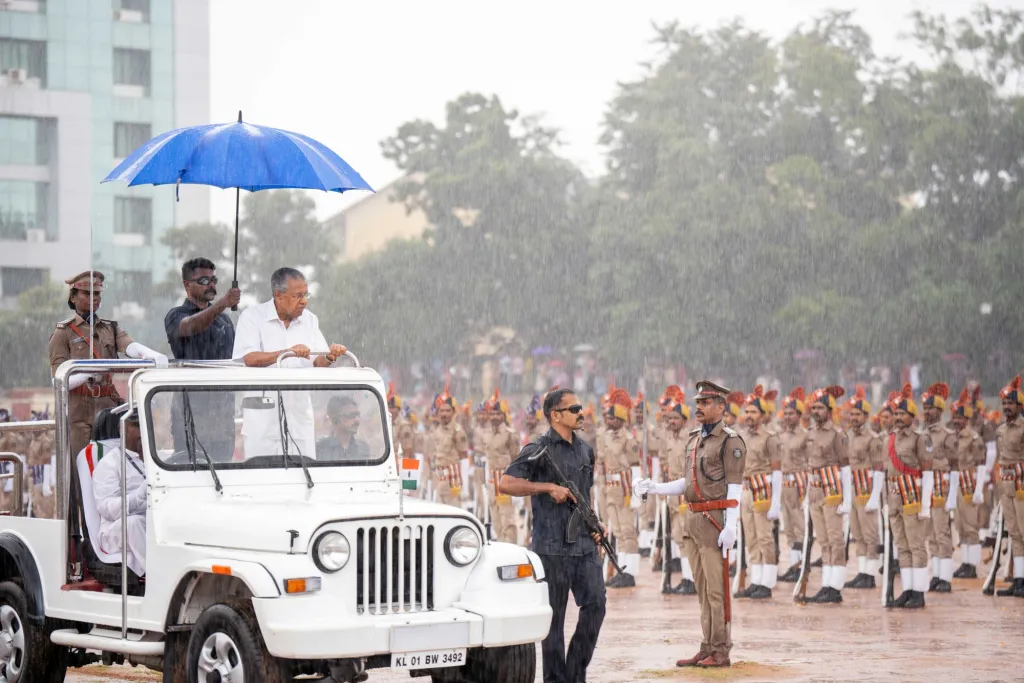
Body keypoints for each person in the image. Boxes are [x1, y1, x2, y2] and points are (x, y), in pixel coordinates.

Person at [634, 381, 745, 669]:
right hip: (693, 517)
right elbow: (688, 482)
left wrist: (730, 526)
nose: (699, 407)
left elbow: (735, 486)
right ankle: (706, 645)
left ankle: (720, 649)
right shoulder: (695, 439)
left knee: (716, 590)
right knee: (701, 589)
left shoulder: (730, 441)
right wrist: (656, 487)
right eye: (698, 402)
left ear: (721, 407)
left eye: (706, 402)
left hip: (715, 519)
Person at [499, 388, 607, 683]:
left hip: (583, 546)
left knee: (596, 605)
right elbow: (506, 483)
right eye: (574, 409)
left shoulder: (586, 450)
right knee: (554, 620)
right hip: (551, 547)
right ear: (555, 415)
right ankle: (556, 679)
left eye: (581, 407)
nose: (581, 413)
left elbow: (585, 495)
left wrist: (596, 525)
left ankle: (575, 672)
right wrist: (546, 488)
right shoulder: (538, 448)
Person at [48, 271, 168, 458]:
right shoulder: (63, 333)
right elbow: (58, 380)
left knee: (111, 465)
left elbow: (130, 346)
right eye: (87, 294)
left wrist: (151, 355)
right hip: (78, 411)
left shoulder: (109, 328)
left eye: (97, 294)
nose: (93, 298)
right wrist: (90, 371)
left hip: (106, 408)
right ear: (73, 296)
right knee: (80, 469)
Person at [232, 267, 347, 457]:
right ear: (278, 295)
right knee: (263, 483)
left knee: (303, 482)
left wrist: (330, 356)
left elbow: (317, 361)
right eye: (298, 296)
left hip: (299, 421)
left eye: (306, 295)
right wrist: (286, 353)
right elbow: (248, 358)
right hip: (262, 426)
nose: (304, 301)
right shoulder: (252, 318)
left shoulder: (310, 320)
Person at [164, 258, 240, 461]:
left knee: (223, 476)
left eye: (214, 280)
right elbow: (190, 326)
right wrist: (223, 303)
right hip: (191, 414)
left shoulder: (224, 319)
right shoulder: (176, 315)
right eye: (204, 280)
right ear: (187, 285)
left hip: (222, 415)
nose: (212, 285)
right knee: (192, 474)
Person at [886, 384, 934, 608]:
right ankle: (907, 589)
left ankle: (919, 592)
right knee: (902, 546)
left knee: (916, 546)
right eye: (895, 413)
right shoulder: (890, 438)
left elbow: (928, 472)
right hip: (894, 497)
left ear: (911, 417)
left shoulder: (919, 438)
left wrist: (925, 506)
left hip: (912, 496)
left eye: (902, 413)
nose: (897, 417)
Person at [803, 386, 851, 604]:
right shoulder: (810, 433)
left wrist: (847, 500)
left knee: (835, 539)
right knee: (823, 541)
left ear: (830, 410)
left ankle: (836, 587)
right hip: (814, 490)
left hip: (832, 490)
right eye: (813, 407)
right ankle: (826, 585)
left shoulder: (838, 435)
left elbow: (846, 468)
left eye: (820, 408)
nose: (816, 411)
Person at [734, 386, 781, 600]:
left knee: (764, 538)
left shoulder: (770, 438)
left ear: (762, 415)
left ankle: (767, 583)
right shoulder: (740, 436)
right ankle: (756, 580)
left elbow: (777, 470)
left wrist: (776, 503)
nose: (749, 416)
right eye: (747, 411)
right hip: (745, 490)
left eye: (753, 412)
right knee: (750, 538)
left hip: (763, 490)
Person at [91, 408, 147, 576]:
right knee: (134, 523)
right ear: (122, 429)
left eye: (144, 424)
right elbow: (107, 509)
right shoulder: (109, 463)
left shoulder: (157, 458)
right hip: (114, 530)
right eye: (136, 425)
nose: (141, 430)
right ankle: (161, 579)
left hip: (151, 520)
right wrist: (137, 498)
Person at [598, 388, 641, 587]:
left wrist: (636, 495)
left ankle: (630, 571)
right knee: (617, 531)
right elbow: (601, 464)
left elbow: (636, 467)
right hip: (610, 488)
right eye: (608, 416)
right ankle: (621, 569)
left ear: (621, 419)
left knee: (627, 530)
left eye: (613, 417)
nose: (609, 420)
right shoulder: (604, 436)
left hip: (624, 489)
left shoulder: (628, 439)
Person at [842, 387, 885, 589]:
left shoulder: (873, 438)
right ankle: (862, 571)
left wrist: (875, 496)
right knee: (857, 533)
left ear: (866, 416)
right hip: (851, 488)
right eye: (851, 413)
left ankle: (870, 573)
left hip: (866, 487)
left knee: (870, 533)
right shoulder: (847, 436)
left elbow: (878, 468)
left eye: (858, 414)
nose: (854, 417)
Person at [919, 383, 959, 592]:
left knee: (942, 532)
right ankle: (936, 574)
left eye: (931, 408)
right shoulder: (921, 434)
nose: (927, 412)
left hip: (941, 486)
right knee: (930, 533)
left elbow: (955, 466)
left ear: (940, 411)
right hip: (926, 487)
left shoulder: (947, 435)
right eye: (925, 408)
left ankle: (946, 577)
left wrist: (952, 495)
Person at [949, 389, 987, 579]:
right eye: (954, 417)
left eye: (959, 418)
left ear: (966, 419)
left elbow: (981, 465)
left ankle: (972, 565)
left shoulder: (974, 438)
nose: (955, 421)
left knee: (971, 526)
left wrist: (979, 489)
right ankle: (965, 562)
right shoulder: (952, 437)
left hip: (968, 484)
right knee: (960, 525)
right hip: (955, 484)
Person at [777, 388, 810, 583]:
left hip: (798, 482)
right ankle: (794, 563)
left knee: (799, 526)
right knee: (788, 527)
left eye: (791, 413)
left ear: (799, 415)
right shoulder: (780, 435)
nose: (788, 417)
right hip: (783, 483)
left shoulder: (805, 436)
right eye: (786, 413)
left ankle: (802, 565)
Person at [995, 375, 1024, 598]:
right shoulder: (1002, 429)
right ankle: (1019, 580)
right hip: (1006, 484)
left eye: (1010, 403)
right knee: (1014, 533)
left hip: (1021, 483)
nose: (1006, 407)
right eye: (1004, 403)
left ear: (1019, 406)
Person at [480, 391, 521, 543]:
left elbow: (517, 459)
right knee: (495, 520)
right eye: (492, 413)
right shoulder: (485, 434)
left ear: (503, 415)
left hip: (505, 481)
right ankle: (502, 548)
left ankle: (511, 550)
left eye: (498, 414)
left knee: (508, 521)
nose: (495, 417)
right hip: (491, 481)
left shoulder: (511, 434)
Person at [427, 387, 469, 506]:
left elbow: (464, 459)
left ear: (453, 412)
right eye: (442, 411)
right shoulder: (436, 431)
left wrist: (464, 485)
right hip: (438, 479)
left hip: (452, 481)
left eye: (447, 410)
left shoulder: (458, 432)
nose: (444, 414)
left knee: (453, 515)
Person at [316, 395, 371, 462]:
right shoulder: (320, 448)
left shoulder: (363, 448)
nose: (357, 420)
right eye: (351, 415)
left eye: (358, 415)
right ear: (335, 419)